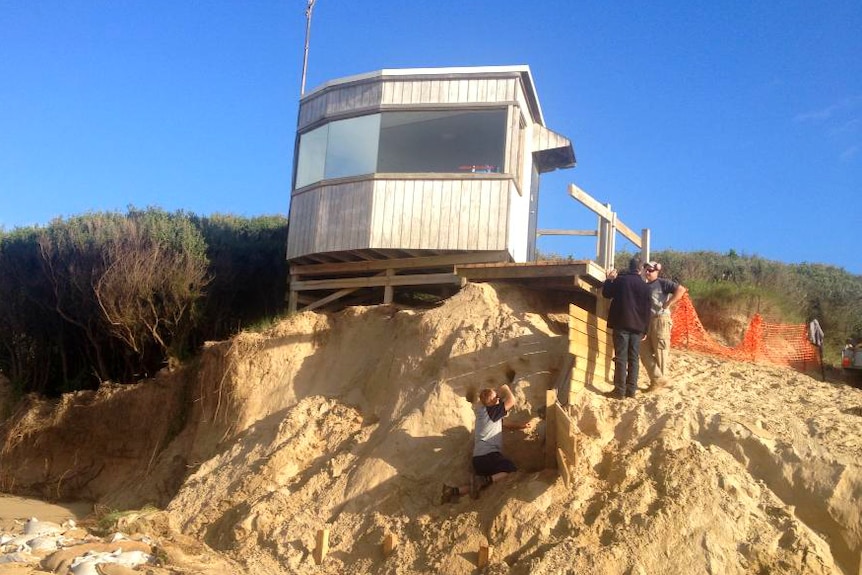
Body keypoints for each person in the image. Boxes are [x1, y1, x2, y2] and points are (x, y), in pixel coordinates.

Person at [442, 383, 517, 503]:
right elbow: (511, 400)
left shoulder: (486, 414)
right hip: (489, 456)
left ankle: (452, 491)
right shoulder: (492, 411)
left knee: (484, 484)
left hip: (478, 459)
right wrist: (505, 388)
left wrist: (520, 426)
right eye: (496, 397)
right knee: (510, 469)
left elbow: (503, 423)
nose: (498, 398)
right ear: (491, 401)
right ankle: (481, 480)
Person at [602, 256, 652, 399]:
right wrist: (645, 329)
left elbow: (606, 294)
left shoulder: (620, 281)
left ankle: (619, 390)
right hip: (638, 327)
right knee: (634, 358)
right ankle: (631, 390)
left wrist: (609, 279)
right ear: (640, 268)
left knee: (621, 357)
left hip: (621, 324)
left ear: (629, 267)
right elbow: (647, 310)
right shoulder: (645, 287)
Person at [640, 261, 687, 391]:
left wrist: (669, 303)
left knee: (661, 352)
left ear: (657, 271)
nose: (648, 272)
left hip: (660, 320)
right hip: (646, 322)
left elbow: (681, 289)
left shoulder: (662, 283)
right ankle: (658, 380)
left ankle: (657, 384)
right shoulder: (643, 285)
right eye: (646, 270)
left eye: (651, 270)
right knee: (643, 352)